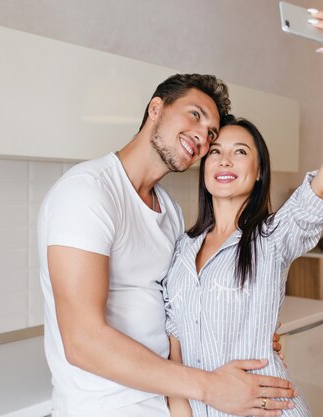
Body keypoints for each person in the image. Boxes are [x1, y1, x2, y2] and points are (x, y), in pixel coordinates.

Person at [163, 9, 323, 417]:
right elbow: (175, 353)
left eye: (240, 152)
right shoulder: (181, 246)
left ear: (258, 170)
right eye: (215, 152)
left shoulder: (271, 238)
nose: (225, 160)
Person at [38, 73, 296, 415]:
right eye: (195, 115)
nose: (202, 137)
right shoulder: (87, 193)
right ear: (156, 108)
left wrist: (249, 332)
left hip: (167, 402)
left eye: (211, 133)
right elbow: (82, 342)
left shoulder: (170, 213)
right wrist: (209, 387)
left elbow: (182, 309)